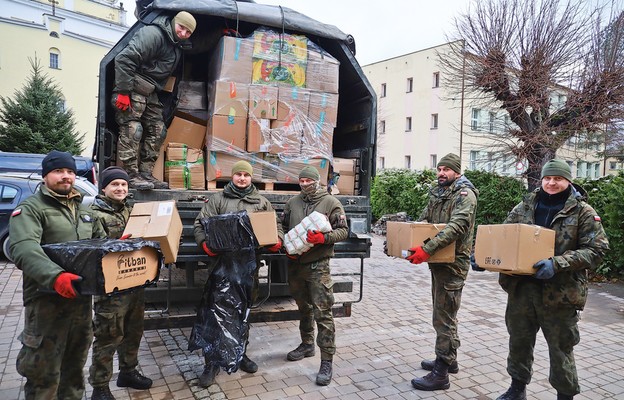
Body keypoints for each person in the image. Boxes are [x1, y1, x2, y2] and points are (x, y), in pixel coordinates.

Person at [494, 160, 609, 400]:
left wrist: (557, 264)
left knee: (561, 350)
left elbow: (597, 250)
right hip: (523, 290)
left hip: (560, 294)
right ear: (542, 179)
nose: (552, 183)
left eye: (558, 179)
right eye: (548, 178)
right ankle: (517, 389)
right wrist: (486, 257)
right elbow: (504, 236)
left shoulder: (583, 212)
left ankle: (565, 396)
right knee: (519, 343)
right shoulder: (525, 206)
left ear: (568, 181)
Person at [9, 150, 106, 400]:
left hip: (81, 303)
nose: (66, 176)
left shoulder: (84, 208)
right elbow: (23, 248)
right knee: (44, 375)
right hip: (46, 304)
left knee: (74, 370)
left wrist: (118, 250)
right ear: (45, 176)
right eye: (59, 171)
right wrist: (56, 277)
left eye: (71, 172)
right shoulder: (31, 209)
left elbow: (98, 243)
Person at [193, 160, 284, 387]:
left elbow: (276, 226)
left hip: (248, 268)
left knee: (244, 312)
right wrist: (204, 243)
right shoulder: (218, 200)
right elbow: (199, 223)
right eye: (238, 174)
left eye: (246, 175)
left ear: (251, 177)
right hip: (221, 268)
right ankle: (211, 363)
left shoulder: (261, 202)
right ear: (232, 177)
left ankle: (240, 353)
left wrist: (277, 241)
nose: (242, 178)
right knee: (215, 315)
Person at [405, 153, 478, 391]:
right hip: (438, 261)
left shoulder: (465, 195)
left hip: (453, 264)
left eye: (446, 169)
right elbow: (424, 220)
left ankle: (441, 374)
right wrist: (407, 241)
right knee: (444, 312)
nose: (441, 173)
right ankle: (449, 359)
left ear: (457, 172)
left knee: (443, 316)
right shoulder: (439, 192)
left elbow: (457, 227)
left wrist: (427, 249)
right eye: (439, 169)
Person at [112, 10, 197, 190]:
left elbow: (201, 45)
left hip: (149, 91)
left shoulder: (176, 44)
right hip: (131, 86)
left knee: (159, 131)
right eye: (181, 28)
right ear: (174, 22)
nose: (183, 33)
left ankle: (145, 173)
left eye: (188, 32)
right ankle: (130, 175)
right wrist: (123, 92)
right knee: (133, 129)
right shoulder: (155, 34)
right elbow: (124, 58)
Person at [281, 165, 349, 386]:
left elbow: (343, 231)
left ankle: (327, 360)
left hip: (318, 267)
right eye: (301, 181)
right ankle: (307, 344)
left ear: (316, 181)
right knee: (304, 308)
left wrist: (324, 238)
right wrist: (285, 247)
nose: (304, 184)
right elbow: (282, 227)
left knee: (323, 313)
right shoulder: (293, 203)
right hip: (295, 265)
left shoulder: (330, 203)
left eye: (308, 181)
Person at [88, 167, 152, 400]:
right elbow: (89, 249)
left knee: (133, 331)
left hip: (134, 283)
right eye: (115, 184)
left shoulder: (132, 211)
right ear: (103, 188)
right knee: (108, 336)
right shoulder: (93, 214)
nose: (120, 189)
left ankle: (128, 372)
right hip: (110, 288)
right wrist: (118, 244)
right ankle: (100, 387)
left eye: (124, 185)